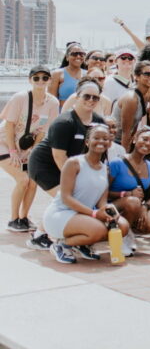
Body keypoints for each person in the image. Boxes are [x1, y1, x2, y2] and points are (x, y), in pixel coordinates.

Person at [26, 80, 107, 250]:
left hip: (71, 167)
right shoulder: (64, 122)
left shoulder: (99, 122)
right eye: (87, 96)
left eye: (95, 97)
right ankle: (39, 236)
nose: (91, 100)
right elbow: (58, 156)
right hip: (45, 165)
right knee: (67, 199)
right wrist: (76, 181)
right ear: (77, 97)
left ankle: (75, 237)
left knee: (76, 199)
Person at [44, 125, 130, 264]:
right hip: (61, 213)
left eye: (105, 139)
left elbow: (101, 201)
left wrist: (110, 210)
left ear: (109, 143)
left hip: (84, 215)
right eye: (96, 138)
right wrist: (95, 214)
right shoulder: (74, 163)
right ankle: (62, 245)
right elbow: (66, 198)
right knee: (99, 230)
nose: (101, 141)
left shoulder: (104, 168)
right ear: (87, 141)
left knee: (122, 226)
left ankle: (81, 244)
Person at [1, 65, 58, 232]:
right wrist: (12, 151)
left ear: (49, 80)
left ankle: (24, 217)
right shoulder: (20, 98)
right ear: (30, 80)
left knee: (33, 181)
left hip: (26, 146)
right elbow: (10, 125)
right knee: (22, 179)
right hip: (4, 142)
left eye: (45, 78)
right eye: (36, 78)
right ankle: (13, 219)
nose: (41, 81)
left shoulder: (52, 103)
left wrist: (34, 151)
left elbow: (44, 131)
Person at [106, 126, 150, 237]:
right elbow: (102, 192)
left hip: (136, 206)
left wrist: (145, 208)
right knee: (133, 201)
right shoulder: (117, 163)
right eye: (144, 139)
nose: (147, 143)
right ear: (135, 139)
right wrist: (126, 194)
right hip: (112, 206)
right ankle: (123, 238)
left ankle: (129, 232)